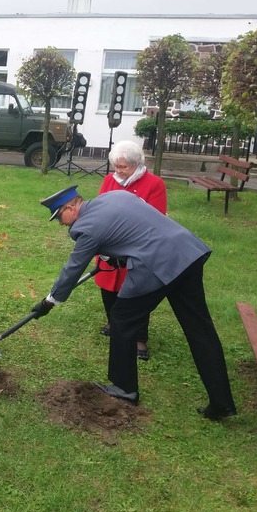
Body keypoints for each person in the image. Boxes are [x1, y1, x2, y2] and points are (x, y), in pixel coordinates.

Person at [33, 184, 237, 421]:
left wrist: (50, 300)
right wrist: (117, 254)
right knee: (200, 329)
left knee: (121, 319)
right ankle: (222, 403)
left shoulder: (86, 227)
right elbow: (136, 228)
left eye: (60, 217)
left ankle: (124, 389)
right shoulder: (114, 196)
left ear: (70, 207)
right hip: (186, 254)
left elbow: (73, 269)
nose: (62, 223)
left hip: (157, 266)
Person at [95, 140, 167, 361]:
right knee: (108, 289)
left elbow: (155, 218)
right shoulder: (110, 180)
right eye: (116, 166)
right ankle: (113, 322)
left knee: (136, 294)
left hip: (137, 249)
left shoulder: (154, 184)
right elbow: (99, 207)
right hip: (110, 245)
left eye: (123, 167)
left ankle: (139, 338)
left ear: (137, 164)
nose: (118, 171)